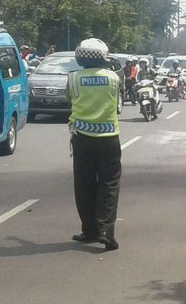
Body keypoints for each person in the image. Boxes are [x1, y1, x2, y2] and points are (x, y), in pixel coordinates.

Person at [67, 38, 122, 251]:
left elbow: (69, 100)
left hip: (82, 138)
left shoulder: (73, 79)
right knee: (109, 184)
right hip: (109, 138)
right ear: (103, 57)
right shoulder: (114, 78)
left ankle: (89, 230)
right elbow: (117, 100)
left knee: (84, 185)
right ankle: (106, 231)